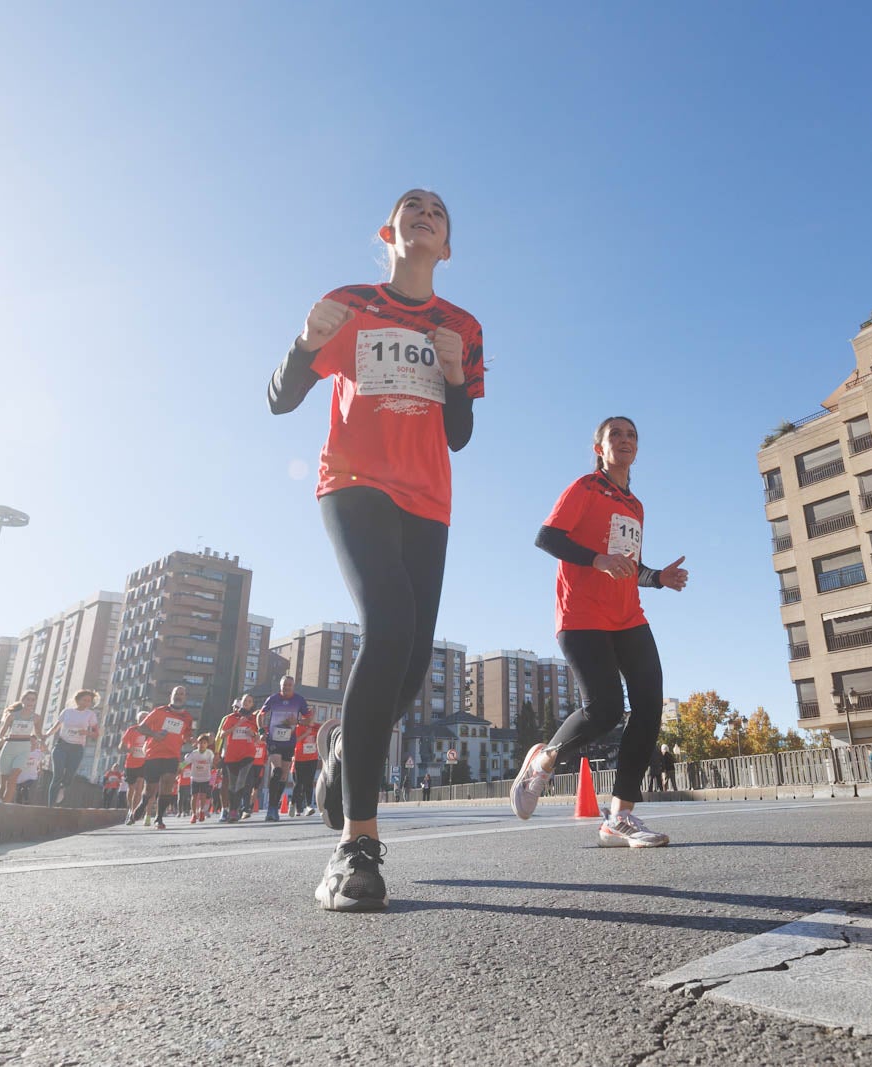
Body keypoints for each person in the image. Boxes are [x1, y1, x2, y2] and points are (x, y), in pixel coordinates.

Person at [268, 188, 485, 912]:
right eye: (410, 206)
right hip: (354, 483)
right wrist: (304, 343)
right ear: (388, 232)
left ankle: (343, 750)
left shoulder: (462, 327)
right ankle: (356, 846)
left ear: (446, 247)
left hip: (428, 501)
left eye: (438, 212)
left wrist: (453, 376)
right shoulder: (349, 304)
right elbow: (280, 398)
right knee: (388, 627)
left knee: (412, 663)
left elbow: (459, 435)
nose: (424, 212)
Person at [510, 416, 690, 847]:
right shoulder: (585, 488)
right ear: (599, 448)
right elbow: (547, 537)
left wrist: (657, 578)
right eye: (616, 435)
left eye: (632, 435)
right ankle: (545, 760)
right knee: (606, 709)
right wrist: (597, 560)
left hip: (628, 616)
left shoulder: (636, 506)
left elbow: (628, 565)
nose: (625, 440)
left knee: (649, 707)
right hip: (581, 615)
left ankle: (619, 817)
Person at [134, 686, 195, 829]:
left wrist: (191, 739)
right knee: (150, 788)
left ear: (185, 697)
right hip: (154, 754)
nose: (179, 696)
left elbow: (186, 734)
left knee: (167, 786)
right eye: (176, 693)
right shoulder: (159, 711)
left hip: (172, 755)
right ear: (171, 696)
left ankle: (159, 818)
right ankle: (143, 803)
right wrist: (154, 734)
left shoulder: (187, 717)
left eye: (182, 694)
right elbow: (141, 727)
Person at [258, 676, 308, 825]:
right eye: (284, 685)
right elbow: (260, 714)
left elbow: (308, 719)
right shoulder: (273, 699)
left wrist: (298, 721)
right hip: (273, 740)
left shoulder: (299, 700)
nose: (286, 687)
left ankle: (275, 804)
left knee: (284, 775)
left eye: (289, 685)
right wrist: (261, 731)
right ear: (280, 686)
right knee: (277, 771)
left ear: (293, 686)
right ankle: (271, 808)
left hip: (289, 741)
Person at [44, 690, 102, 807]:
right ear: (77, 700)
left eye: (89, 701)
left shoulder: (90, 715)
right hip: (61, 746)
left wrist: (87, 732)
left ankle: (63, 788)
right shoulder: (67, 712)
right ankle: (50, 806)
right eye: (84, 700)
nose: (86, 703)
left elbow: (96, 734)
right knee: (57, 775)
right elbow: (56, 727)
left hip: (77, 749)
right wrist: (45, 735)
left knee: (69, 776)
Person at [216, 695, 260, 823]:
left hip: (247, 754)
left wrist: (253, 734)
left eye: (249, 701)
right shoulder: (231, 718)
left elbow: (258, 739)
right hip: (232, 755)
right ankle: (232, 809)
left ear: (252, 704)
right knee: (232, 784)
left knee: (241, 781)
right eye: (245, 700)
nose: (246, 703)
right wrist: (237, 725)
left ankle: (234, 811)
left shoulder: (254, 719)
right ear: (241, 702)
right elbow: (222, 735)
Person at [0, 690, 41, 804]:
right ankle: (0, 801)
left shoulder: (36, 718)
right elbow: (1, 734)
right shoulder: (12, 716)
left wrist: (46, 737)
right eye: (28, 699)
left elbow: (39, 734)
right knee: (3, 784)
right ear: (23, 700)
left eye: (33, 700)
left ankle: (4, 807)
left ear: (35, 702)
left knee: (13, 779)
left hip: (24, 750)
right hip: (9, 748)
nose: (30, 702)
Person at [121, 711, 150, 824]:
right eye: (141, 718)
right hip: (131, 763)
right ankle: (130, 809)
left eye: (145, 717)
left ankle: (133, 813)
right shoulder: (131, 730)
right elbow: (121, 746)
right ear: (137, 720)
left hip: (144, 763)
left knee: (139, 789)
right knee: (131, 788)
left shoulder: (151, 731)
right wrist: (128, 749)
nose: (143, 719)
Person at [291, 707, 320, 816]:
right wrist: (306, 734)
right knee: (298, 784)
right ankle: (293, 804)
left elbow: (323, 734)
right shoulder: (298, 727)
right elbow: (294, 741)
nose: (311, 718)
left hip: (312, 758)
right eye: (309, 716)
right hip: (300, 758)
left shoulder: (316, 727)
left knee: (309, 782)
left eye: (313, 715)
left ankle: (308, 805)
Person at [184, 735, 215, 824]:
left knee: (203, 796)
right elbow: (186, 762)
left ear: (207, 744)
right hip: (195, 778)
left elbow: (213, 763)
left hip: (205, 778)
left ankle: (201, 811)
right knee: (194, 797)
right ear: (197, 744)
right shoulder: (194, 754)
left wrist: (216, 765)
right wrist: (179, 768)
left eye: (204, 743)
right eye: (200, 743)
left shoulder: (209, 753)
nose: (202, 745)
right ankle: (194, 814)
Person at [16, 741, 45, 805]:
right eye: (31, 743)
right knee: (20, 790)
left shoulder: (38, 752)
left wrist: (40, 769)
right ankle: (19, 803)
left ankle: (26, 801)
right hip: (22, 775)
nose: (32, 745)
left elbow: (40, 761)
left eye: (34, 743)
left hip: (31, 776)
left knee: (25, 787)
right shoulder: (23, 751)